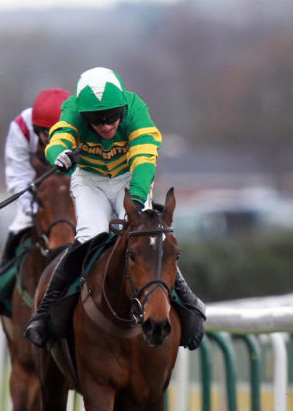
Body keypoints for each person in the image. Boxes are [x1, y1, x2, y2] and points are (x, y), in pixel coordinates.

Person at [23, 67, 206, 349]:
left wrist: (137, 196)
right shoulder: (71, 109)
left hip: (130, 179)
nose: (106, 126)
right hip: (90, 181)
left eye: (111, 117)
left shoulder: (136, 110)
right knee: (87, 239)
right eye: (96, 120)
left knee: (149, 240)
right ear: (84, 115)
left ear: (123, 107)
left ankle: (189, 305)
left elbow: (144, 160)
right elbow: (58, 138)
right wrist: (57, 154)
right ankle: (45, 311)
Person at [0, 88, 71, 317]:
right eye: (45, 135)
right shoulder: (21, 128)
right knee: (17, 233)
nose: (49, 141)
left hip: (73, 195)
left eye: (55, 135)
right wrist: (33, 208)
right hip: (36, 195)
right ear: (36, 129)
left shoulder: (81, 129)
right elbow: (17, 175)